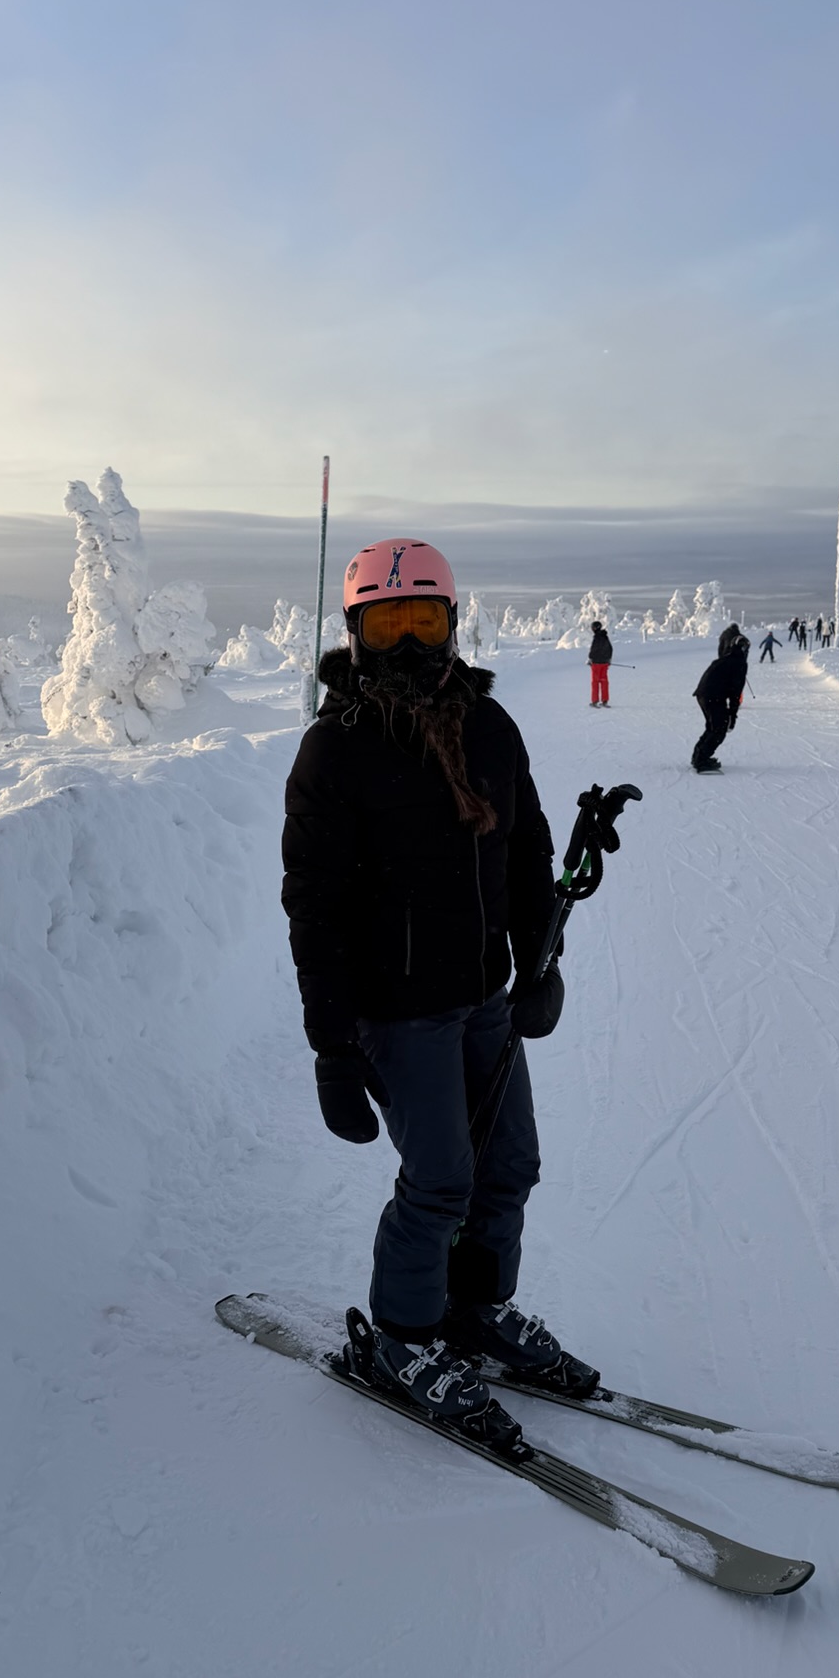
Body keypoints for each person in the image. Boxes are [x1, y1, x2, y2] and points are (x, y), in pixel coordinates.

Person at [282, 538, 597, 1445]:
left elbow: (530, 854)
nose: (412, 642)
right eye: (391, 623)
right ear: (357, 634)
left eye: (426, 620)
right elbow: (314, 906)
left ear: (453, 626)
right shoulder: (333, 752)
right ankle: (402, 1336)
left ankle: (471, 1311)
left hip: (486, 999)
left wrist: (541, 964)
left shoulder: (490, 731)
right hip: (395, 1012)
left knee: (509, 1168)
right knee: (441, 1181)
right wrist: (334, 1048)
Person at [691, 622, 750, 774]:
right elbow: (736, 692)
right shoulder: (739, 663)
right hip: (713, 696)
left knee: (712, 727)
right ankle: (701, 760)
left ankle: (699, 756)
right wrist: (733, 715)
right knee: (719, 729)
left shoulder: (726, 658)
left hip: (704, 694)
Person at [588, 619, 613, 706]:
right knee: (604, 681)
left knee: (595, 682)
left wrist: (590, 658)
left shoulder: (596, 638)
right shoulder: (605, 637)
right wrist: (608, 659)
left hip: (596, 664)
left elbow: (593, 650)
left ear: (594, 628)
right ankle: (605, 700)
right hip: (604, 663)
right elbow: (610, 649)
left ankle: (595, 701)